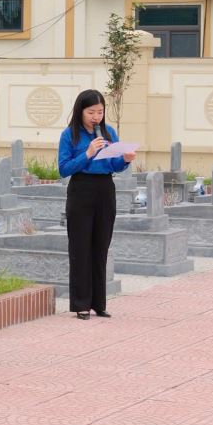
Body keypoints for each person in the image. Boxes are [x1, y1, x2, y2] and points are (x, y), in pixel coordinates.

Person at [59, 89, 135, 319]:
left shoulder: (109, 132)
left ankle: (98, 303)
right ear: (80, 111)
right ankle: (81, 303)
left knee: (101, 246)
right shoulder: (69, 135)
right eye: (91, 112)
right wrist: (88, 153)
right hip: (81, 189)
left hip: (105, 190)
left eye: (100, 112)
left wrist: (124, 160)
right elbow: (64, 169)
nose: (96, 116)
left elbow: (114, 164)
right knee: (80, 248)